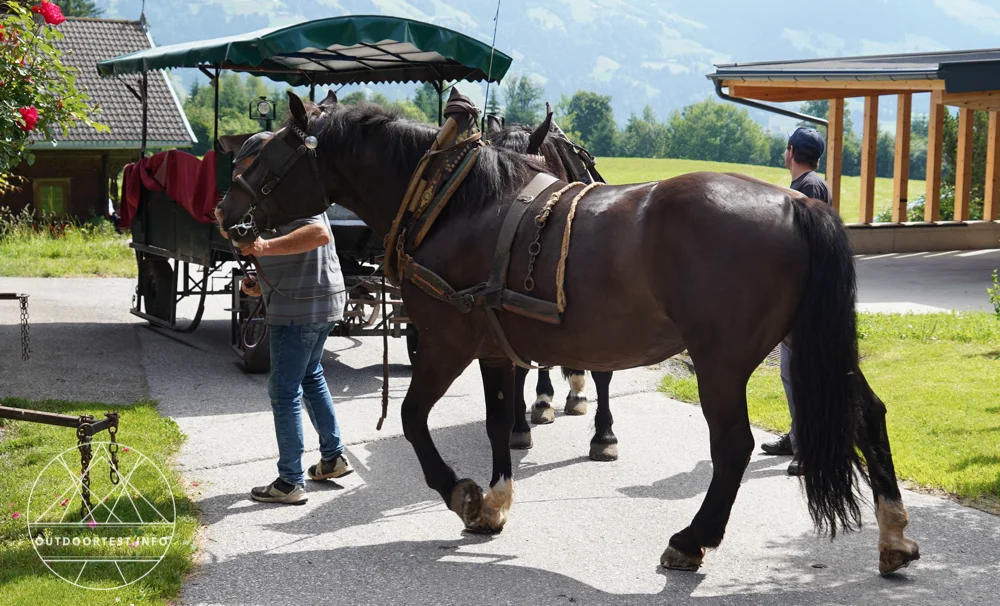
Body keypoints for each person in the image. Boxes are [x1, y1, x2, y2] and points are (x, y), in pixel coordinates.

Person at [222, 132, 353, 505]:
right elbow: (278, 247)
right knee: (310, 376)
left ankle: (290, 482)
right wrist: (259, 284)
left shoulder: (291, 192)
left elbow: (318, 234)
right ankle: (332, 458)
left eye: (248, 170)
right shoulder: (273, 197)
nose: (245, 179)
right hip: (317, 300)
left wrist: (264, 247)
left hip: (300, 307)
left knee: (283, 391)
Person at [760, 126, 832, 477]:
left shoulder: (809, 188)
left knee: (799, 373)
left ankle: (809, 447)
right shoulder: (806, 186)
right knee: (790, 372)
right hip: (798, 296)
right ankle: (796, 436)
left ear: (790, 151)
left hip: (806, 298)